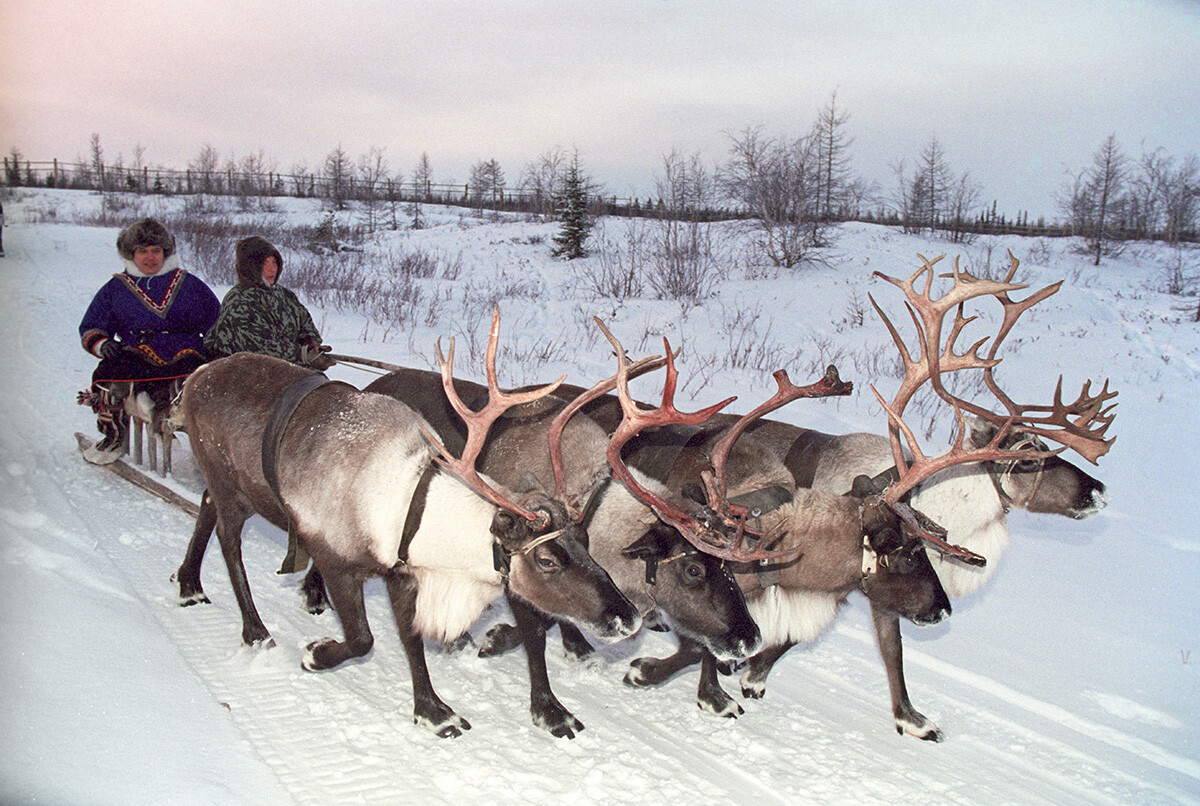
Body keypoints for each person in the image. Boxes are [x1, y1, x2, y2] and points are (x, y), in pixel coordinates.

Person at [79, 218, 219, 464]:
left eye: (156, 251)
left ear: (165, 252)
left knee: (204, 380)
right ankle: (113, 436)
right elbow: (92, 325)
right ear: (131, 254)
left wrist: (216, 347)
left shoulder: (189, 283)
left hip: (185, 350)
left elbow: (216, 321)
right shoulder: (116, 288)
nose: (150, 257)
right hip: (138, 351)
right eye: (142, 251)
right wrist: (102, 343)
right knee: (107, 375)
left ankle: (201, 435)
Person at [203, 235, 334, 370]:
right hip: (245, 373)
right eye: (265, 263)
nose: (272, 269)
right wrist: (302, 355)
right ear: (250, 267)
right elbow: (260, 349)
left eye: (274, 262)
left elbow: (305, 324)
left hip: (288, 368)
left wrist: (312, 347)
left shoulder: (285, 295)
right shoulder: (238, 301)